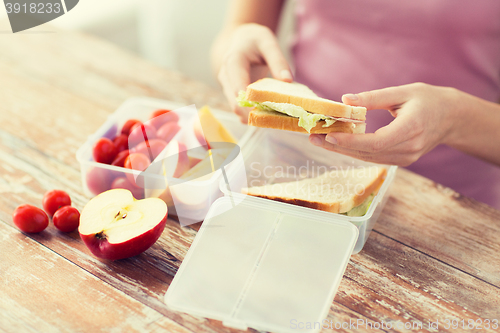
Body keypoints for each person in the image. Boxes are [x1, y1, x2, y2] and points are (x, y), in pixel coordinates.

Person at [211, 0, 500, 210]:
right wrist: (238, 56)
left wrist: (454, 119)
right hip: (291, 169)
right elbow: (236, 33)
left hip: (452, 209)